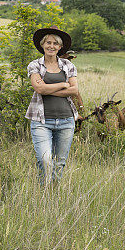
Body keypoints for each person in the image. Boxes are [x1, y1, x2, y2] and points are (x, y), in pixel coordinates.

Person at [25, 27, 82, 185]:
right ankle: (43, 191)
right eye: (48, 42)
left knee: (59, 163)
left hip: (66, 120)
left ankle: (53, 194)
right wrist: (63, 84)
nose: (51, 46)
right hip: (41, 121)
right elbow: (39, 89)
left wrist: (48, 89)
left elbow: (75, 90)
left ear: (60, 47)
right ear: (42, 45)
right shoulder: (35, 65)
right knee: (45, 160)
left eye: (55, 43)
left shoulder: (68, 65)